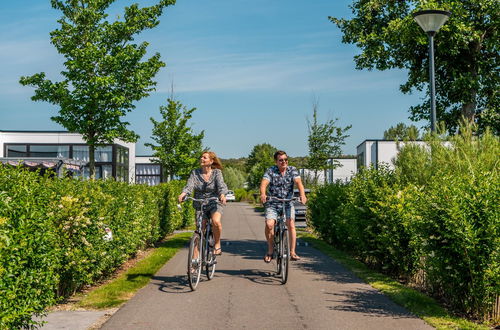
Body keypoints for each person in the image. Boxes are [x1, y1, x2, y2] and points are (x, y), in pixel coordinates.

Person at [260, 150, 307, 263]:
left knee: (290, 224)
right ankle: (270, 250)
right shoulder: (271, 170)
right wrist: (263, 194)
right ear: (276, 161)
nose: (284, 162)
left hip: (287, 202)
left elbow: (299, 183)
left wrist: (302, 195)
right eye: (281, 160)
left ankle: (292, 252)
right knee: (269, 224)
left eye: (285, 159)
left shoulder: (292, 170)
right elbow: (264, 183)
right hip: (273, 202)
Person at [178, 151, 228, 255]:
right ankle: (195, 259)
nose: (202, 159)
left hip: (214, 202)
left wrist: (222, 195)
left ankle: (217, 244)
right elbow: (189, 185)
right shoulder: (195, 173)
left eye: (204, 157)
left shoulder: (217, 173)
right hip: (200, 203)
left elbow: (221, 185)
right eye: (201, 157)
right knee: (199, 230)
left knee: (216, 222)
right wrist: (184, 193)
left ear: (211, 161)